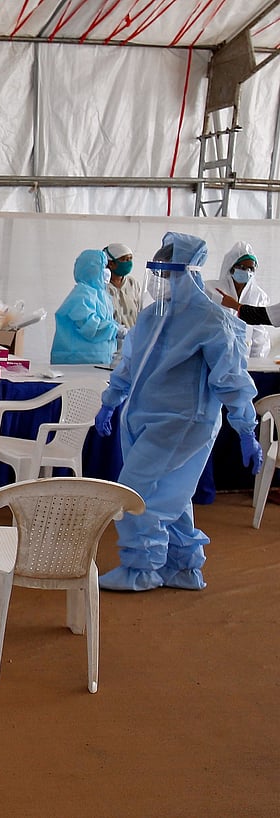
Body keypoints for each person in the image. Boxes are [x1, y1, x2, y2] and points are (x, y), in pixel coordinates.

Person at [93, 231, 262, 592]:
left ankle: (142, 568)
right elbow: (131, 363)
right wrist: (110, 402)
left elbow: (231, 378)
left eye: (169, 273)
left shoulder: (212, 319)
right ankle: (182, 565)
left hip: (184, 421)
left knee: (138, 490)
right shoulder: (155, 315)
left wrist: (246, 428)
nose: (163, 281)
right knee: (172, 493)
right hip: (147, 418)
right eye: (160, 273)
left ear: (191, 271)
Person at [50, 249, 120, 365]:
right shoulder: (82, 294)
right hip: (78, 359)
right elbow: (89, 325)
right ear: (92, 269)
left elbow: (106, 321)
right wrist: (116, 330)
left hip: (98, 359)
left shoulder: (101, 294)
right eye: (104, 266)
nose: (107, 271)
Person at [207, 242, 270, 359]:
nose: (246, 272)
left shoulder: (259, 295)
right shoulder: (211, 289)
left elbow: (259, 334)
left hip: (245, 358)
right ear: (231, 267)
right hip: (215, 356)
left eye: (251, 268)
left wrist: (256, 363)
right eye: (242, 267)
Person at [104, 242, 143, 335]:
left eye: (130, 259)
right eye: (124, 260)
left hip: (132, 341)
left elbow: (139, 311)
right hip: (111, 343)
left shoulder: (132, 283)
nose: (128, 263)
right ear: (111, 263)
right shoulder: (101, 286)